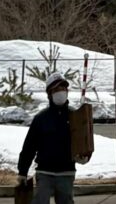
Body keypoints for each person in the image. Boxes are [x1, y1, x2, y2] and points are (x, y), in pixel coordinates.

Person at [18, 73, 79, 204]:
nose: (61, 92)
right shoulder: (41, 118)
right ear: (49, 94)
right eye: (57, 90)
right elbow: (29, 146)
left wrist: (84, 155)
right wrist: (22, 171)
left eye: (63, 89)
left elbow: (83, 143)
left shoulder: (75, 116)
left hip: (66, 173)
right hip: (44, 172)